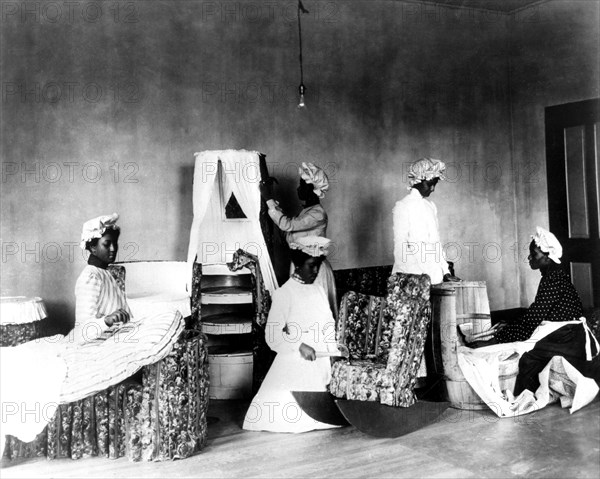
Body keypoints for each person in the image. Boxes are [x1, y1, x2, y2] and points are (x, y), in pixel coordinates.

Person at [464, 227, 599, 396]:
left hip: (567, 339)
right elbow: (534, 315)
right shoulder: (553, 276)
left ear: (548, 258)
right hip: (561, 334)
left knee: (523, 355)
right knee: (516, 342)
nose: (529, 258)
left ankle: (521, 395)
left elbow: (532, 320)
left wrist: (495, 340)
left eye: (533, 254)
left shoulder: (553, 279)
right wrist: (507, 329)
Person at [242, 236, 340, 433]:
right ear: (297, 265)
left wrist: (334, 348)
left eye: (318, 266)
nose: (315, 271)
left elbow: (328, 324)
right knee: (290, 413)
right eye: (311, 265)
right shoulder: (284, 293)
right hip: (298, 357)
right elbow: (272, 336)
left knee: (332, 413)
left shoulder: (319, 290)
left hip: (321, 358)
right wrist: (299, 346)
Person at [259, 162, 338, 318]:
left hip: (314, 269)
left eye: (302, 185)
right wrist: (274, 206)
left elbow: (287, 225)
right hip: (302, 267)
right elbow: (288, 233)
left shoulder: (317, 214)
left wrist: (268, 199)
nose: (298, 189)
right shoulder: (306, 212)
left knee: (314, 315)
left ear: (313, 190)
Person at [392, 157, 460, 285]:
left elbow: (436, 242)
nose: (433, 188)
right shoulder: (402, 206)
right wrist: (414, 279)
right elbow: (400, 247)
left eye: (435, 184)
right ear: (418, 180)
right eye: (430, 184)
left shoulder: (430, 207)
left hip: (434, 275)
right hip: (410, 277)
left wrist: (445, 271)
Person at [72, 213, 132, 344]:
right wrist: (107, 320)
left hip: (113, 339)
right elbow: (83, 330)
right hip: (97, 346)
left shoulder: (104, 273)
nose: (113, 248)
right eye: (107, 244)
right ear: (93, 248)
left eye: (115, 243)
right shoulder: (91, 276)